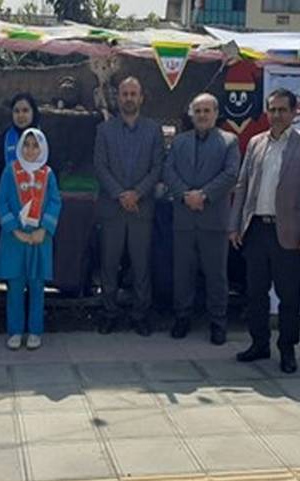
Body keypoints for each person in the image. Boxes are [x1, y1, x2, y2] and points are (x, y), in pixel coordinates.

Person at [228, 88, 300, 374]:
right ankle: (259, 343)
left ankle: (287, 348)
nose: (277, 115)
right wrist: (235, 224)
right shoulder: (256, 143)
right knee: (255, 292)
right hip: (256, 229)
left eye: (283, 110)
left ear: (294, 112)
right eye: (272, 109)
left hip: (288, 231)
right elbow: (242, 185)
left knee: (288, 295)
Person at [162, 93, 240, 345]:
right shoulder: (179, 142)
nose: (202, 115)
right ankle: (182, 317)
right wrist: (185, 195)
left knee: (216, 275)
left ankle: (218, 322)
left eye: (207, 111)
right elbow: (168, 170)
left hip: (214, 220)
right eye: (198, 111)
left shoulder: (229, 141)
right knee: (182, 273)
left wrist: (204, 195)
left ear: (216, 113)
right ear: (191, 114)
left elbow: (231, 174)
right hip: (184, 219)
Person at [93, 76, 164, 336]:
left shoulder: (153, 130)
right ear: (118, 98)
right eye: (125, 94)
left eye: (133, 94)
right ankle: (109, 313)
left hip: (141, 209)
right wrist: (121, 194)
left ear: (141, 98)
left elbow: (157, 166)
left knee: (141, 265)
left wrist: (137, 194)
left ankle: (140, 314)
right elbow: (100, 166)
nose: (129, 98)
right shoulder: (104, 130)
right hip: (113, 208)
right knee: (109, 264)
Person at [0, 128, 62, 351]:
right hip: (15, 240)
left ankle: (35, 331)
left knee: (37, 286)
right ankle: (15, 331)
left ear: (42, 149)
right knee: (15, 286)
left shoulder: (48, 174)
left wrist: (44, 229)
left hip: (40, 240)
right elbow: (1, 202)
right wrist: (15, 230)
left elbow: (55, 202)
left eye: (35, 146)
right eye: (26, 145)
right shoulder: (10, 171)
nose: (30, 150)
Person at [0, 92, 41, 218]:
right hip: (5, 213)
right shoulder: (0, 143)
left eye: (25, 110)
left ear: (33, 113)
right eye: (16, 111)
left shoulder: (42, 142)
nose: (21, 115)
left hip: (37, 211)